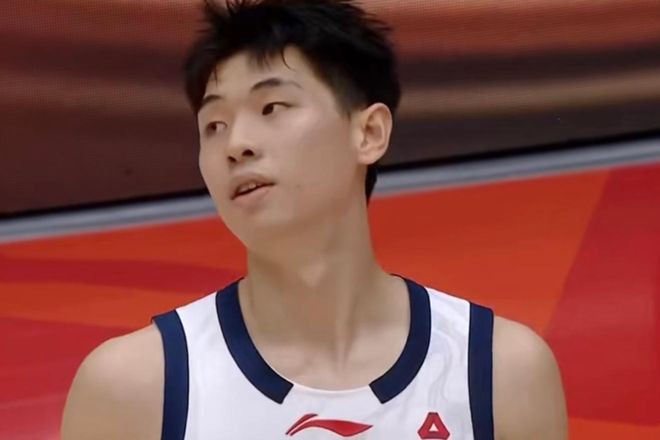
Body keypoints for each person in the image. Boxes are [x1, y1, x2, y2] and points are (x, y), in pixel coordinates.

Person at [61, 0, 568, 439]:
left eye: (272, 107)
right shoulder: (134, 389)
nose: (236, 144)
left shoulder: (500, 372)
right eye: (213, 125)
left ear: (369, 133)